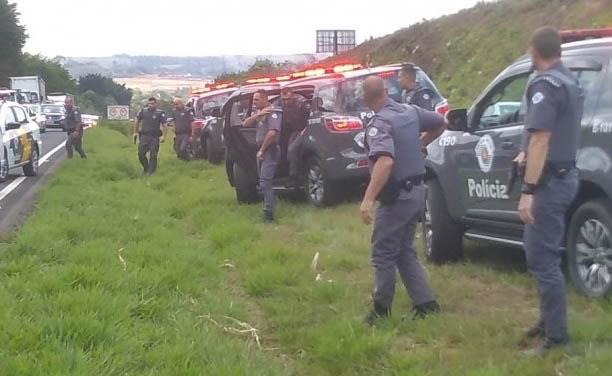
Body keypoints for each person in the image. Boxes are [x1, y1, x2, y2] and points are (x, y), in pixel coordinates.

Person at [517, 26, 582, 356]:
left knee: (543, 259)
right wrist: (524, 152)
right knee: (542, 253)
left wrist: (528, 190)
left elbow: (542, 137)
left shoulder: (545, 84)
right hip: (566, 175)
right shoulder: (569, 79)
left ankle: (556, 337)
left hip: (549, 184)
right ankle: (547, 320)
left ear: (534, 50)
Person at [360, 75, 445, 325]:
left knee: (383, 252)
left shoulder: (381, 122)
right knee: (405, 250)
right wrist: (422, 143)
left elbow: (385, 161)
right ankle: (425, 303)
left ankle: (381, 309)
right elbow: (441, 122)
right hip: (418, 191)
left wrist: (367, 199)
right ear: (386, 91)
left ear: (366, 98)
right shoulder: (410, 111)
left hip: (396, 196)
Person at [243, 89, 282, 223]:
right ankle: (270, 203)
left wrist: (262, 150)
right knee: (264, 182)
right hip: (262, 150)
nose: (254, 102)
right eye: (254, 99)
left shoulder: (273, 112)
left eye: (256, 99)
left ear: (265, 99)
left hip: (270, 150)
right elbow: (245, 124)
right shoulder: (259, 113)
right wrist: (257, 115)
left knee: (265, 183)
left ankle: (268, 213)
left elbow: (272, 133)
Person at [280, 87, 311, 178]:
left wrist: (304, 131)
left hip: (304, 130)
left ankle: (294, 177)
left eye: (288, 99)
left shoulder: (302, 103)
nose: (285, 102)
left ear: (293, 96)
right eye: (283, 99)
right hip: (291, 131)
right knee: (286, 153)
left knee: (292, 150)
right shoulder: (280, 103)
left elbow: (312, 118)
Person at [133, 97, 167, 175]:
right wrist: (135, 132)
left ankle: (151, 172)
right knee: (141, 154)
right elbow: (137, 120)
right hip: (144, 136)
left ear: (156, 104)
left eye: (152, 104)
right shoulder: (143, 111)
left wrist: (163, 137)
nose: (150, 105)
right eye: (149, 103)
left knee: (153, 155)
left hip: (154, 137)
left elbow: (165, 125)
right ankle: (146, 168)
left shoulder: (160, 113)